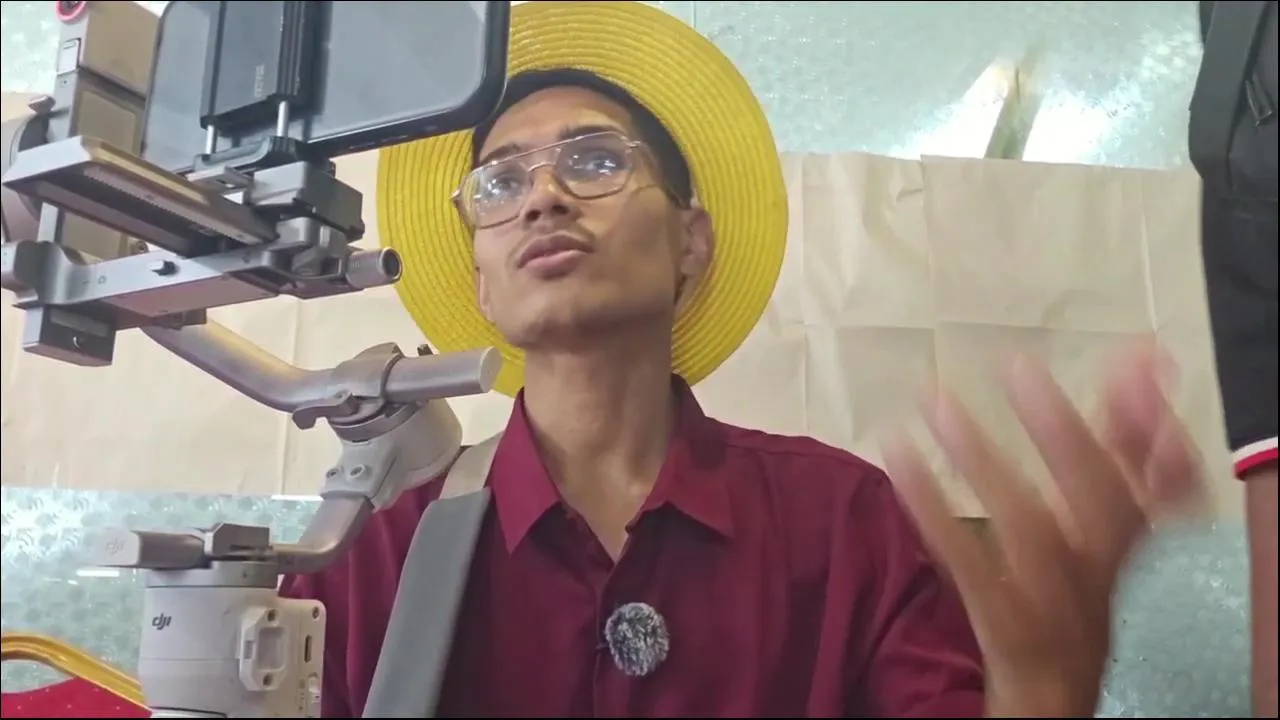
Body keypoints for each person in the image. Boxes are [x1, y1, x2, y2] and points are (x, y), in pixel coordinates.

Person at [281, 2, 1204, 716]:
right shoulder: (367, 559)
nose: (543, 198)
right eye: (501, 181)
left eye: (596, 162)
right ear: (481, 284)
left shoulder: (848, 525)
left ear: (692, 241)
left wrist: (1045, 691)